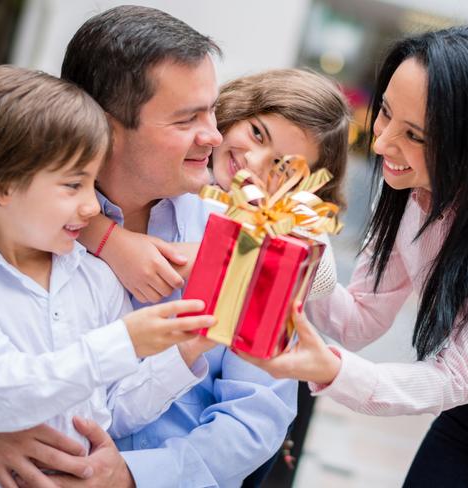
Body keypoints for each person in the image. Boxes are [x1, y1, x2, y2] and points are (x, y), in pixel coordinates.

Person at [0, 6, 296, 488]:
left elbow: (260, 416)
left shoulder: (249, 238)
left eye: (213, 109)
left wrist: (132, 476)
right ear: (105, 125)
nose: (213, 134)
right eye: (188, 118)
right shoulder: (32, 222)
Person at [244, 26, 468, 487]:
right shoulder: (410, 182)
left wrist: (334, 370)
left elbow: (459, 373)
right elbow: (357, 319)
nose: (381, 143)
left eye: (415, 135)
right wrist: (305, 244)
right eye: (385, 113)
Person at [0, 64, 217, 488]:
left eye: (92, 185)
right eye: (72, 186)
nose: (91, 207)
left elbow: (114, 410)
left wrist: (183, 353)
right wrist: (123, 342)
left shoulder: (97, 279)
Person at [84, 67, 352, 486]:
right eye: (258, 134)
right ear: (232, 112)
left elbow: (252, 416)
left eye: (283, 166)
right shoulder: (95, 194)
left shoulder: (276, 237)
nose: (255, 162)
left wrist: (136, 475)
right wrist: (106, 238)